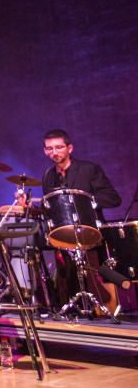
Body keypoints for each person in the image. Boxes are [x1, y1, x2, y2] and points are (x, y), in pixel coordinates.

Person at [36, 128, 120, 305]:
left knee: (94, 279)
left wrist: (84, 202)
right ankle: (76, 307)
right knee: (67, 276)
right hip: (65, 238)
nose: (54, 152)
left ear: (70, 148)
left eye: (59, 147)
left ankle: (100, 307)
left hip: (91, 234)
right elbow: (51, 208)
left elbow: (113, 198)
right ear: (45, 151)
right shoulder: (48, 176)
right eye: (49, 149)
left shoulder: (89, 169)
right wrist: (31, 207)